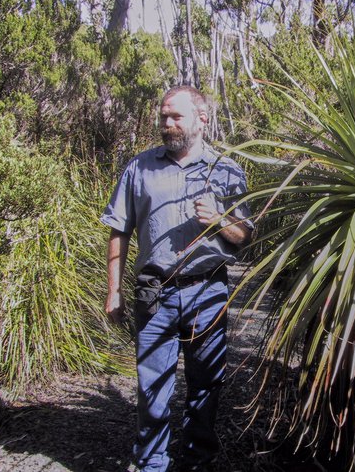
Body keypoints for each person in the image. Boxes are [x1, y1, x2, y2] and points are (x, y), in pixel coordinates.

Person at [102, 86, 253, 472]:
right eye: (163, 116)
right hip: (155, 294)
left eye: (176, 116)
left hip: (208, 292)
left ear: (201, 120)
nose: (167, 123)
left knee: (206, 387)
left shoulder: (227, 170)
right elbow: (118, 229)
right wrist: (114, 291)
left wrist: (220, 221)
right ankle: (152, 463)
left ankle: (196, 460)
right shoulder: (140, 168)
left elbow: (246, 236)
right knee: (152, 389)